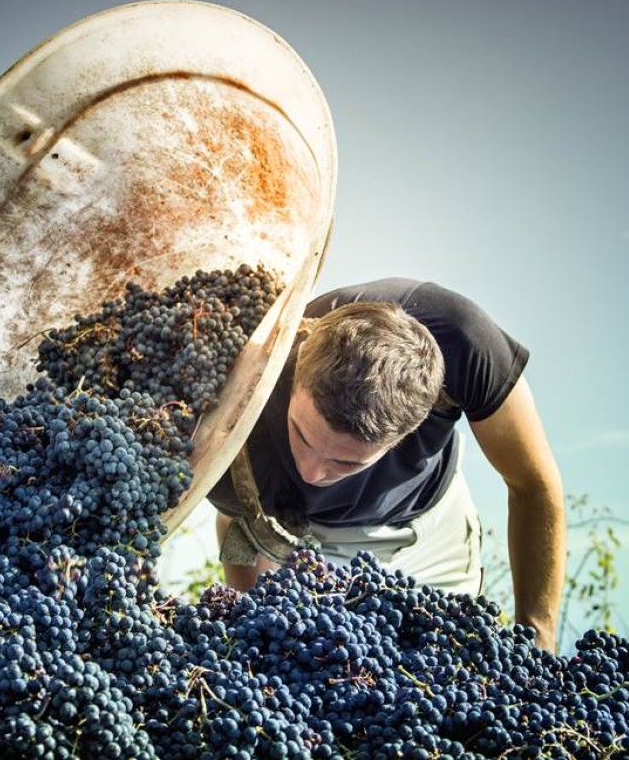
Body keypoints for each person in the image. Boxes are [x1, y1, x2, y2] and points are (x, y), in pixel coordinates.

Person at [206, 278, 566, 651]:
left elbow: (532, 483)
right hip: (312, 539)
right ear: (297, 375)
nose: (311, 472)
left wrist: (539, 639)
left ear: (400, 438)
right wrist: (255, 632)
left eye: (344, 462)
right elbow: (241, 530)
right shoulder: (244, 395)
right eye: (302, 434)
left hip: (432, 526)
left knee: (444, 672)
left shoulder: (463, 338)